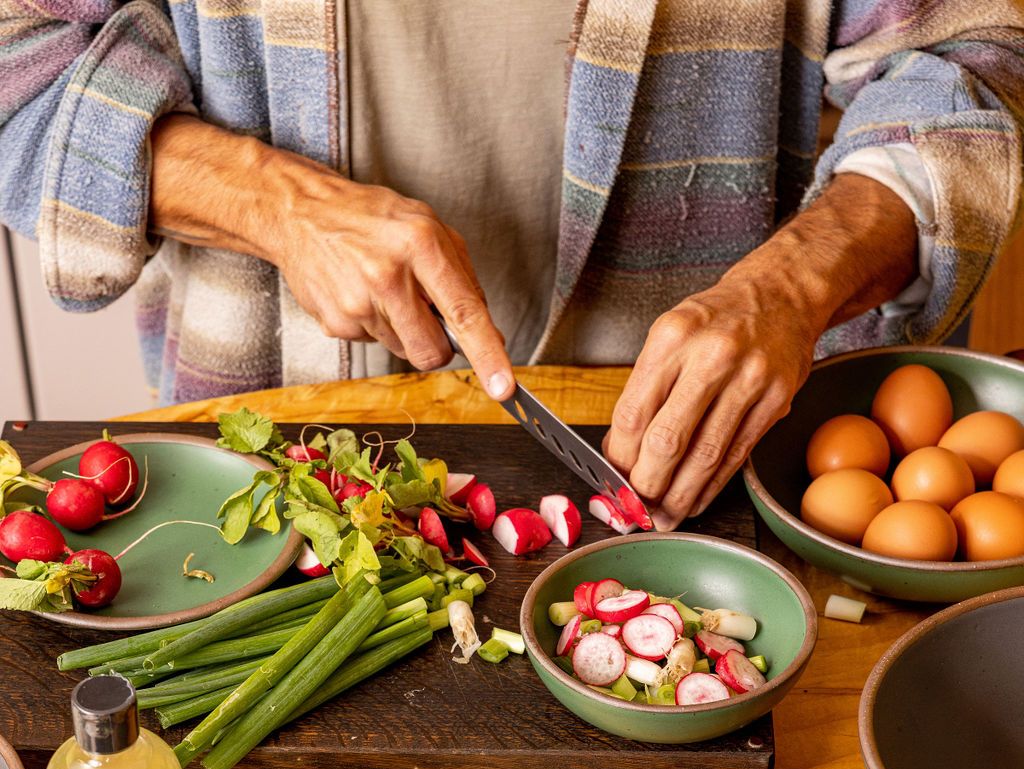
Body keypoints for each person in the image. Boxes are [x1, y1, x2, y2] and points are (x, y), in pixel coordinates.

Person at [1, 2, 1022, 525]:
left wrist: (798, 277)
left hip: (736, 463)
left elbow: (977, 57)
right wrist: (270, 201)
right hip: (275, 469)